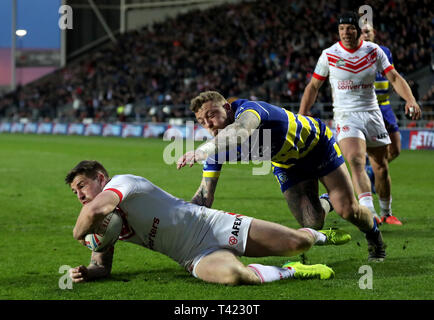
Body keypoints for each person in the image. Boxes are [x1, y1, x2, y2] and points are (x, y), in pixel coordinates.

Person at [176, 90, 386, 261]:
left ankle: (374, 237)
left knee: (348, 211)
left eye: (211, 115)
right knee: (312, 225)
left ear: (227, 108)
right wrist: (183, 218)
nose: (208, 124)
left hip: (318, 146)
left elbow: (240, 132)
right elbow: (205, 196)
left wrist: (201, 151)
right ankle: (327, 200)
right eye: (201, 121)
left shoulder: (250, 110)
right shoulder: (217, 149)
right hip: (287, 164)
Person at [66, 160, 349, 285]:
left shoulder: (122, 183)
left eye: (82, 185)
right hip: (193, 256)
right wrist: (89, 272)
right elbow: (101, 264)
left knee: (296, 241)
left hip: (211, 225)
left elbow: (90, 215)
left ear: (101, 178)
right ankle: (292, 271)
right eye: (74, 192)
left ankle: (319, 234)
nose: (80, 195)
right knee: (235, 276)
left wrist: (76, 235)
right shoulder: (105, 221)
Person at [298, 12, 421, 227]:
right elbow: (313, 86)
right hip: (346, 115)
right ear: (338, 32)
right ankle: (369, 212)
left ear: (358, 30)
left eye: (350, 28)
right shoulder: (329, 54)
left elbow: (394, 77)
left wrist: (410, 99)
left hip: (372, 113)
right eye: (341, 29)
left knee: (381, 166)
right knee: (355, 160)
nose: (346, 32)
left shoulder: (374, 51)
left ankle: (386, 212)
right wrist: (302, 113)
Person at [360, 23, 403, 225]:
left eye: (368, 31)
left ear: (374, 33)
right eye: (362, 32)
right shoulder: (354, 53)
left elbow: (390, 75)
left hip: (384, 105)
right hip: (367, 108)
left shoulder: (384, 52)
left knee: (396, 149)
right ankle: (381, 211)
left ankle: (371, 169)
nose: (365, 34)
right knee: (370, 159)